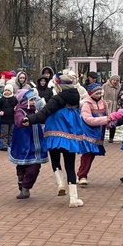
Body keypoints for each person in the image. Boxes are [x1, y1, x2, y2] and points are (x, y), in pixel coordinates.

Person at [23, 72, 97, 207]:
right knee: (70, 165)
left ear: (60, 87)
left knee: (55, 160)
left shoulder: (57, 99)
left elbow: (44, 113)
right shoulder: (76, 98)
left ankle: (60, 183)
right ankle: (73, 198)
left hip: (54, 134)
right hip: (70, 137)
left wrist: (30, 119)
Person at [9, 88, 48, 199]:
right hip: (24, 144)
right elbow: (19, 120)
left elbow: (42, 118)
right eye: (31, 100)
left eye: (34, 100)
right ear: (24, 101)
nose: (33, 102)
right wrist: (24, 121)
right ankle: (22, 186)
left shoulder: (36, 111)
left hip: (36, 145)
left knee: (34, 167)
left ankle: (26, 187)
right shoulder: (19, 111)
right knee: (21, 166)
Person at [77, 83, 106, 185]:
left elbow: (108, 115)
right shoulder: (86, 104)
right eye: (96, 93)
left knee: (92, 154)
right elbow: (88, 119)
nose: (99, 95)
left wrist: (112, 121)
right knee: (87, 153)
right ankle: (82, 176)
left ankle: (81, 173)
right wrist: (105, 119)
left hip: (99, 133)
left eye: (100, 93)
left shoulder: (103, 103)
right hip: (88, 132)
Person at [0, 84, 17, 151]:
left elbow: (17, 106)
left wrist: (16, 108)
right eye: (6, 90)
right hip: (4, 119)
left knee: (11, 133)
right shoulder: (2, 99)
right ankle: (3, 145)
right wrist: (0, 111)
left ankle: (10, 144)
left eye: (8, 90)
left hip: (12, 119)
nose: (7, 92)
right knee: (4, 133)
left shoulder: (14, 99)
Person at [102, 75, 120, 143]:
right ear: (111, 80)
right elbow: (102, 95)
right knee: (104, 121)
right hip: (107, 105)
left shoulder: (119, 87)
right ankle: (102, 137)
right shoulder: (105, 86)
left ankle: (111, 137)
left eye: (117, 80)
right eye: (114, 80)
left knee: (113, 122)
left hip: (115, 106)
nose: (115, 82)